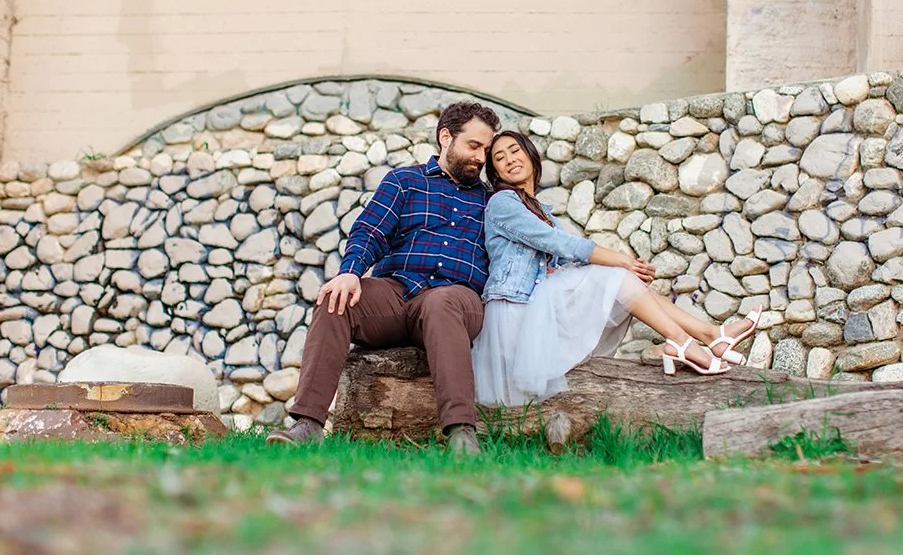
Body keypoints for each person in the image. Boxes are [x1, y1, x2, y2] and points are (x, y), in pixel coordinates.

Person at [268, 100, 501, 456]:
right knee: (335, 299)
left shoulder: (492, 200)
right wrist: (350, 273)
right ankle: (308, 423)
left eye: (486, 148)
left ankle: (461, 434)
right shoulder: (405, 181)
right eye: (474, 145)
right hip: (397, 292)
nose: (482, 157)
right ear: (445, 137)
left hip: (456, 299)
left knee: (442, 302)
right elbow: (370, 231)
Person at [472, 130, 761, 407]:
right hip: (516, 312)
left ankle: (709, 335)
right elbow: (558, 243)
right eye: (499, 157)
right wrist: (624, 261)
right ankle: (688, 341)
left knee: (621, 283)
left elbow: (560, 259)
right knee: (617, 277)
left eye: (515, 150)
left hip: (538, 307)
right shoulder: (502, 203)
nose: (509, 159)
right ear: (495, 172)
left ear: (531, 156)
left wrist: (619, 270)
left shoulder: (542, 211)